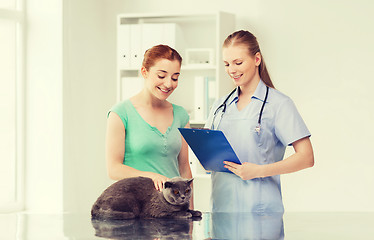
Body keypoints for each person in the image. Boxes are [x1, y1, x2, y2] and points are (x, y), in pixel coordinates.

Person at [205, 30, 314, 212]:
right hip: (221, 209)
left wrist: (259, 171)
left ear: (257, 59)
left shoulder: (279, 104)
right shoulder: (219, 106)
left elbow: (306, 157)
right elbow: (208, 155)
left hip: (261, 211)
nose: (232, 70)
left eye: (238, 62)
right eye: (226, 64)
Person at [105, 45, 193, 195]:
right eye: (161, 76)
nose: (168, 84)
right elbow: (114, 169)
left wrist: (190, 213)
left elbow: (184, 169)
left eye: (175, 77)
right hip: (137, 206)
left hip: (174, 208)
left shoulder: (181, 115)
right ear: (144, 72)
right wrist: (151, 176)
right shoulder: (121, 113)